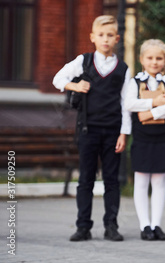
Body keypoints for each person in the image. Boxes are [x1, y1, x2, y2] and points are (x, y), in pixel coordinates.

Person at [53, 15, 131, 242]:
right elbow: (58, 78)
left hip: (113, 131)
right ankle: (83, 226)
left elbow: (126, 104)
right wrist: (75, 85)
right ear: (93, 37)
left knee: (111, 180)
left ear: (116, 38)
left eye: (110, 35)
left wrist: (124, 133)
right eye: (101, 35)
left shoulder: (123, 69)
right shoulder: (84, 61)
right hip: (88, 130)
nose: (105, 39)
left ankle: (111, 226)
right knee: (85, 179)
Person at [124, 39, 165, 241]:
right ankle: (144, 225)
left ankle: (156, 224)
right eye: (150, 58)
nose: (154, 62)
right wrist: (154, 102)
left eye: (159, 58)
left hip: (162, 137)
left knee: (159, 181)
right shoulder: (134, 82)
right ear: (141, 60)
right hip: (142, 137)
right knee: (141, 181)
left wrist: (148, 113)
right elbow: (130, 104)